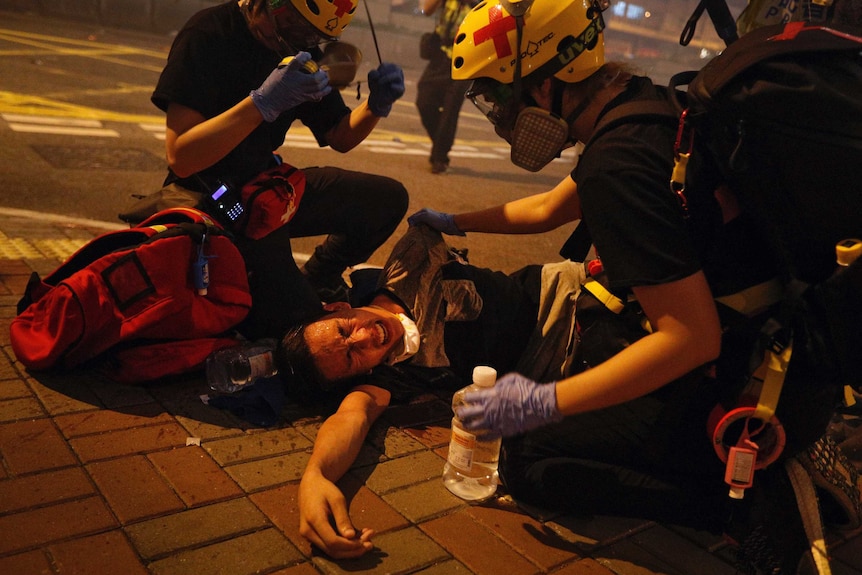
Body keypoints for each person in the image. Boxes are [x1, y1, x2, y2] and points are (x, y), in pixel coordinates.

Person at [405, 1, 845, 573]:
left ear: (544, 87)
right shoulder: (645, 106)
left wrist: (541, 404)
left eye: (497, 96)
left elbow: (690, 339)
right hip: (783, 343)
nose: (498, 114)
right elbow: (547, 209)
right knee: (590, 356)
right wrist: (456, 221)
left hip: (747, 386)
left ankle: (747, 502)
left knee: (532, 459)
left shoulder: (620, 163)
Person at [285, 223, 586, 558]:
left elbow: (427, 230)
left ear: (339, 308)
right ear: (363, 372)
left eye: (344, 330)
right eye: (352, 357)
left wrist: (453, 221)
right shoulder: (390, 376)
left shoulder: (405, 270)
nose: (363, 338)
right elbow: (352, 415)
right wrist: (316, 476)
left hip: (570, 304)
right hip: (565, 375)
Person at [150, 0, 409, 305]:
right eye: (289, 25)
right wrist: (262, 104)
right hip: (210, 194)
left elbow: (340, 134)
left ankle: (320, 277)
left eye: (309, 36)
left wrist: (375, 106)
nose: (292, 39)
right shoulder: (209, 33)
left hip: (267, 187)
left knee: (386, 199)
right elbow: (183, 158)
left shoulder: (299, 48)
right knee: (297, 319)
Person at [416, 0, 478, 174]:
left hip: (466, 60)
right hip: (440, 56)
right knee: (424, 101)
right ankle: (440, 146)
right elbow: (426, 10)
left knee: (450, 110)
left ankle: (440, 157)